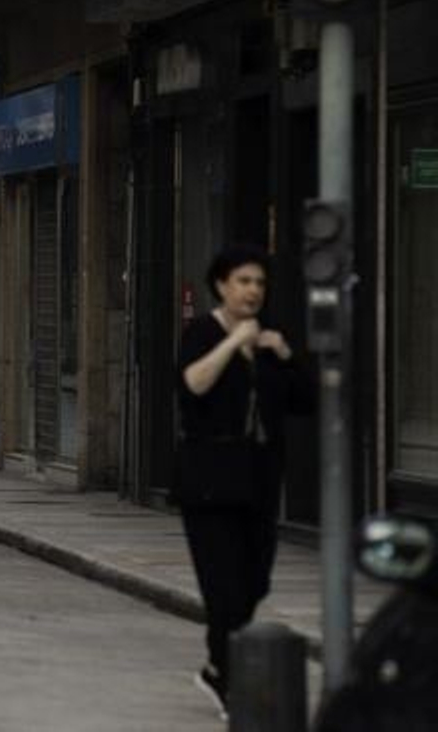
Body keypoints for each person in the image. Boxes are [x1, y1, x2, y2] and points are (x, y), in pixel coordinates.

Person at [175, 245, 309, 719]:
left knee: (255, 583)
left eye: (259, 283)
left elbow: (304, 401)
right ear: (221, 285)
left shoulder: (272, 341)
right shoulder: (201, 332)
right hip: (210, 483)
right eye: (244, 281)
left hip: (260, 482)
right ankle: (229, 683)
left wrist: (286, 354)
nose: (253, 290)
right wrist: (235, 344)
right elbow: (193, 384)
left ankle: (217, 668)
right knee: (224, 589)